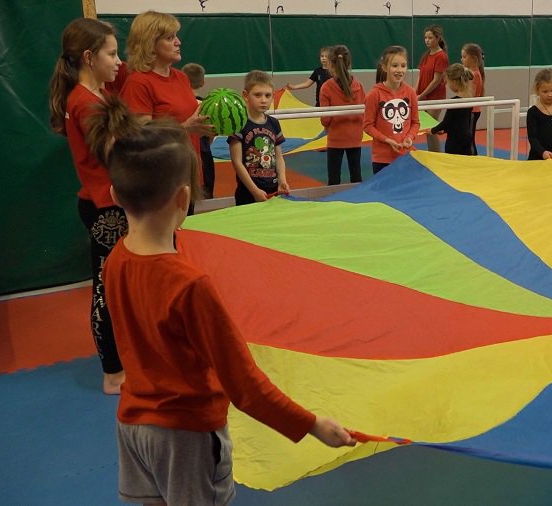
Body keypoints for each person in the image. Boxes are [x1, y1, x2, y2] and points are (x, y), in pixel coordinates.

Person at [84, 97, 356, 506]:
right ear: (183, 199)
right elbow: (244, 384)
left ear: (113, 193)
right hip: (186, 438)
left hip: (132, 428)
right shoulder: (189, 284)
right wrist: (313, 424)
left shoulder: (116, 261)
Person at [47, 17, 126, 395]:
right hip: (106, 210)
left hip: (111, 205)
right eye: (112, 54)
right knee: (106, 290)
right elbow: (117, 154)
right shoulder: (84, 102)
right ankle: (112, 372)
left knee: (121, 286)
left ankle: (125, 358)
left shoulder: (94, 97)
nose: (118, 61)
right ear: (89, 56)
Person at [119, 10, 213, 207]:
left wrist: (209, 127)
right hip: (159, 179)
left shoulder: (181, 77)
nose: (178, 42)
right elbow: (139, 137)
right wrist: (185, 128)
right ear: (150, 44)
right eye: (170, 38)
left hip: (186, 171)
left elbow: (190, 120)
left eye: (176, 36)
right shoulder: (139, 82)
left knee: (182, 234)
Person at [229, 70, 289, 205]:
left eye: (268, 95)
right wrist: (254, 190)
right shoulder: (240, 124)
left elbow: (278, 156)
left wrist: (282, 180)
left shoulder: (274, 123)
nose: (263, 100)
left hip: (273, 189)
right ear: (245, 95)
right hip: (248, 192)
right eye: (257, 95)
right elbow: (237, 162)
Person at [364, 46, 420, 174]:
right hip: (382, 159)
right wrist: (387, 140)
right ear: (385, 67)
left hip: (405, 156)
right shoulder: (374, 95)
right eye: (395, 66)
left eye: (403, 66)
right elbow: (368, 126)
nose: (399, 70)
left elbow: (415, 122)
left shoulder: (410, 92)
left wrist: (410, 138)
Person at [320, 45, 366, 185]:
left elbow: (325, 119)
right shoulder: (358, 85)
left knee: (333, 178)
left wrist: (328, 124)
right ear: (349, 63)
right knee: (356, 175)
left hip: (336, 137)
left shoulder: (327, 87)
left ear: (331, 64)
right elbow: (364, 113)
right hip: (355, 136)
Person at [181, 62, 217, 199]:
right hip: (204, 152)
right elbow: (211, 134)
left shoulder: (183, 105)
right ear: (203, 82)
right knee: (205, 193)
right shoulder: (207, 106)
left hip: (186, 151)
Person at [416, 25, 449, 152]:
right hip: (423, 95)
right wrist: (415, 92)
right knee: (426, 128)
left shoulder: (441, 56)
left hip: (435, 97)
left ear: (437, 38)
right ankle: (432, 151)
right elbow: (420, 74)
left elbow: (436, 80)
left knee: (431, 128)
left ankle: (435, 153)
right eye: (425, 38)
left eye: (430, 38)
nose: (427, 40)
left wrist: (422, 94)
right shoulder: (426, 55)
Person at [430, 64, 475, 155]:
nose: (447, 85)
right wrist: (444, 130)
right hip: (467, 137)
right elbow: (458, 121)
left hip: (455, 140)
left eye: (447, 82)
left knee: (453, 164)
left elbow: (446, 122)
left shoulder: (454, 102)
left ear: (454, 82)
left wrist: (432, 130)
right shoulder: (470, 98)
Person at [461, 43, 486, 155]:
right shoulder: (472, 73)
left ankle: (473, 159)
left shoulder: (474, 74)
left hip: (472, 111)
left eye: (464, 57)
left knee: (469, 140)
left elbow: (470, 94)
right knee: (467, 138)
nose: (462, 59)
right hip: (470, 110)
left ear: (474, 59)